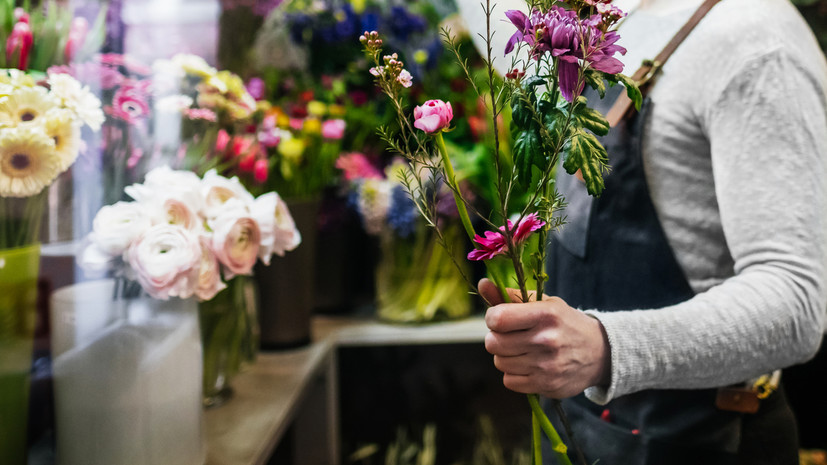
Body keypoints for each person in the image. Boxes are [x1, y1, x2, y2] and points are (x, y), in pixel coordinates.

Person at [457, 0, 827, 463]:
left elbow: (796, 303)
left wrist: (603, 347)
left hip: (697, 439)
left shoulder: (757, 41)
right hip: (584, 426)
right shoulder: (612, 17)